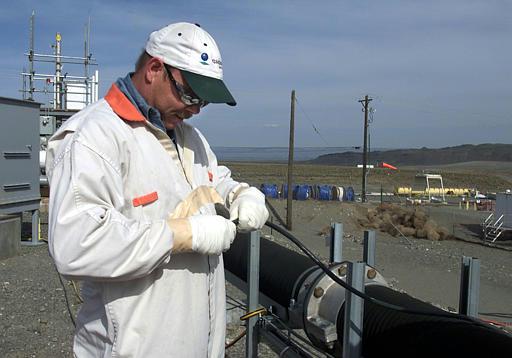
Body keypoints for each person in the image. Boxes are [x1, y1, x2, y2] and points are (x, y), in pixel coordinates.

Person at [46, 22, 269, 357]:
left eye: (204, 102)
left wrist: (240, 194)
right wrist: (181, 235)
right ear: (154, 69)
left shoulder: (190, 138)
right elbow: (76, 243)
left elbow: (212, 180)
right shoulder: (94, 137)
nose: (195, 109)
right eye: (191, 94)